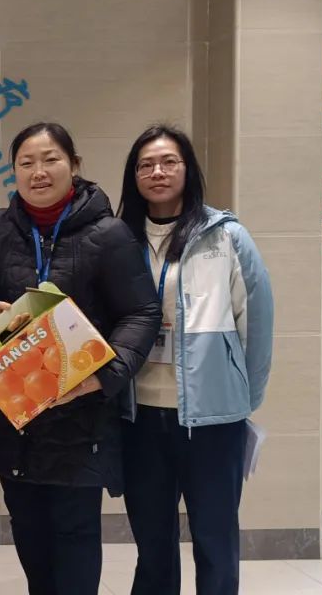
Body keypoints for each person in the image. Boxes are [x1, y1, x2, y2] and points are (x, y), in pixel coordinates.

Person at [0, 122, 161, 595]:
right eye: (26, 162)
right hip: (14, 416)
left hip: (81, 416)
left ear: (74, 165)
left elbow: (141, 312)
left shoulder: (108, 234)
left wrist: (104, 376)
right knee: (29, 534)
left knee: (75, 538)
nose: (38, 171)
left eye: (50, 159)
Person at [117, 124, 273, 595]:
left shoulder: (225, 236)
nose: (157, 172)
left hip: (213, 420)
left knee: (215, 540)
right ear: (133, 176)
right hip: (139, 415)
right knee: (152, 544)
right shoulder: (119, 239)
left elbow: (256, 324)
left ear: (188, 169)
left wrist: (241, 399)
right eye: (146, 165)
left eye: (169, 162)